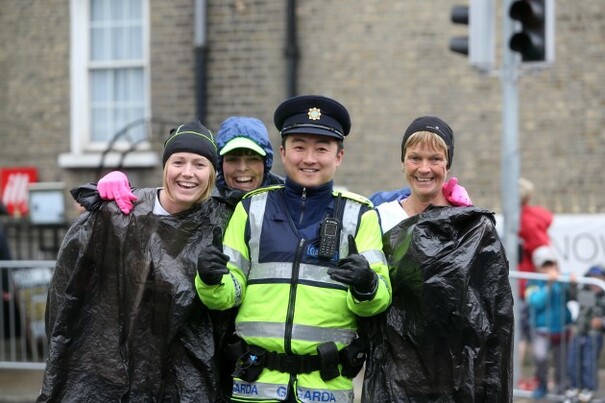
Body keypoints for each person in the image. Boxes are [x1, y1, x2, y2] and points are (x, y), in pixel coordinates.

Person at [195, 95, 392, 403]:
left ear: (339, 156)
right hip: (255, 389)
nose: (309, 159)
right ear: (283, 153)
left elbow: (379, 301)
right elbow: (227, 295)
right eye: (299, 147)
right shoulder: (251, 208)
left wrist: (367, 286)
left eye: (321, 149)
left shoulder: (360, 214)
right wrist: (209, 280)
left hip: (325, 390)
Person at [38, 120, 232, 402]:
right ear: (165, 167)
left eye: (199, 164)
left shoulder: (223, 220)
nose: (187, 173)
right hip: (117, 373)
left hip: (184, 379)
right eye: (178, 162)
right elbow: (69, 289)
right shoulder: (123, 211)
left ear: (212, 173)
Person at [361, 116, 514, 402]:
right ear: (403, 162)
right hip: (395, 376)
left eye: (435, 159)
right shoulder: (378, 219)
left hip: (458, 380)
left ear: (447, 165)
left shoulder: (472, 228)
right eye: (415, 158)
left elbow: (493, 320)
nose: (424, 168)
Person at [516, 177, 554, 391]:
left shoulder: (523, 219)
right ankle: (526, 379)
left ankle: (525, 378)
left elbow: (541, 252)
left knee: (525, 335)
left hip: (526, 285)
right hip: (527, 284)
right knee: (527, 335)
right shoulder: (529, 218)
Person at [525, 245, 574, 399]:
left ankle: (561, 390)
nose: (548, 268)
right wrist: (549, 286)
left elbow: (572, 297)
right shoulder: (532, 282)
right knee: (540, 359)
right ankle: (542, 385)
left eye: (551, 263)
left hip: (562, 329)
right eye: (544, 264)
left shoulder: (563, 278)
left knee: (562, 364)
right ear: (537, 267)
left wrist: (572, 284)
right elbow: (535, 302)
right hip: (542, 330)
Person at [566, 264, 605, 402]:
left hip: (594, 335)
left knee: (589, 363)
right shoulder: (584, 292)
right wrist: (572, 284)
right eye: (592, 278)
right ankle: (575, 386)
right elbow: (573, 295)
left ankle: (589, 388)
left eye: (599, 278)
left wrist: (601, 322)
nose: (595, 282)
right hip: (579, 331)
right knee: (573, 360)